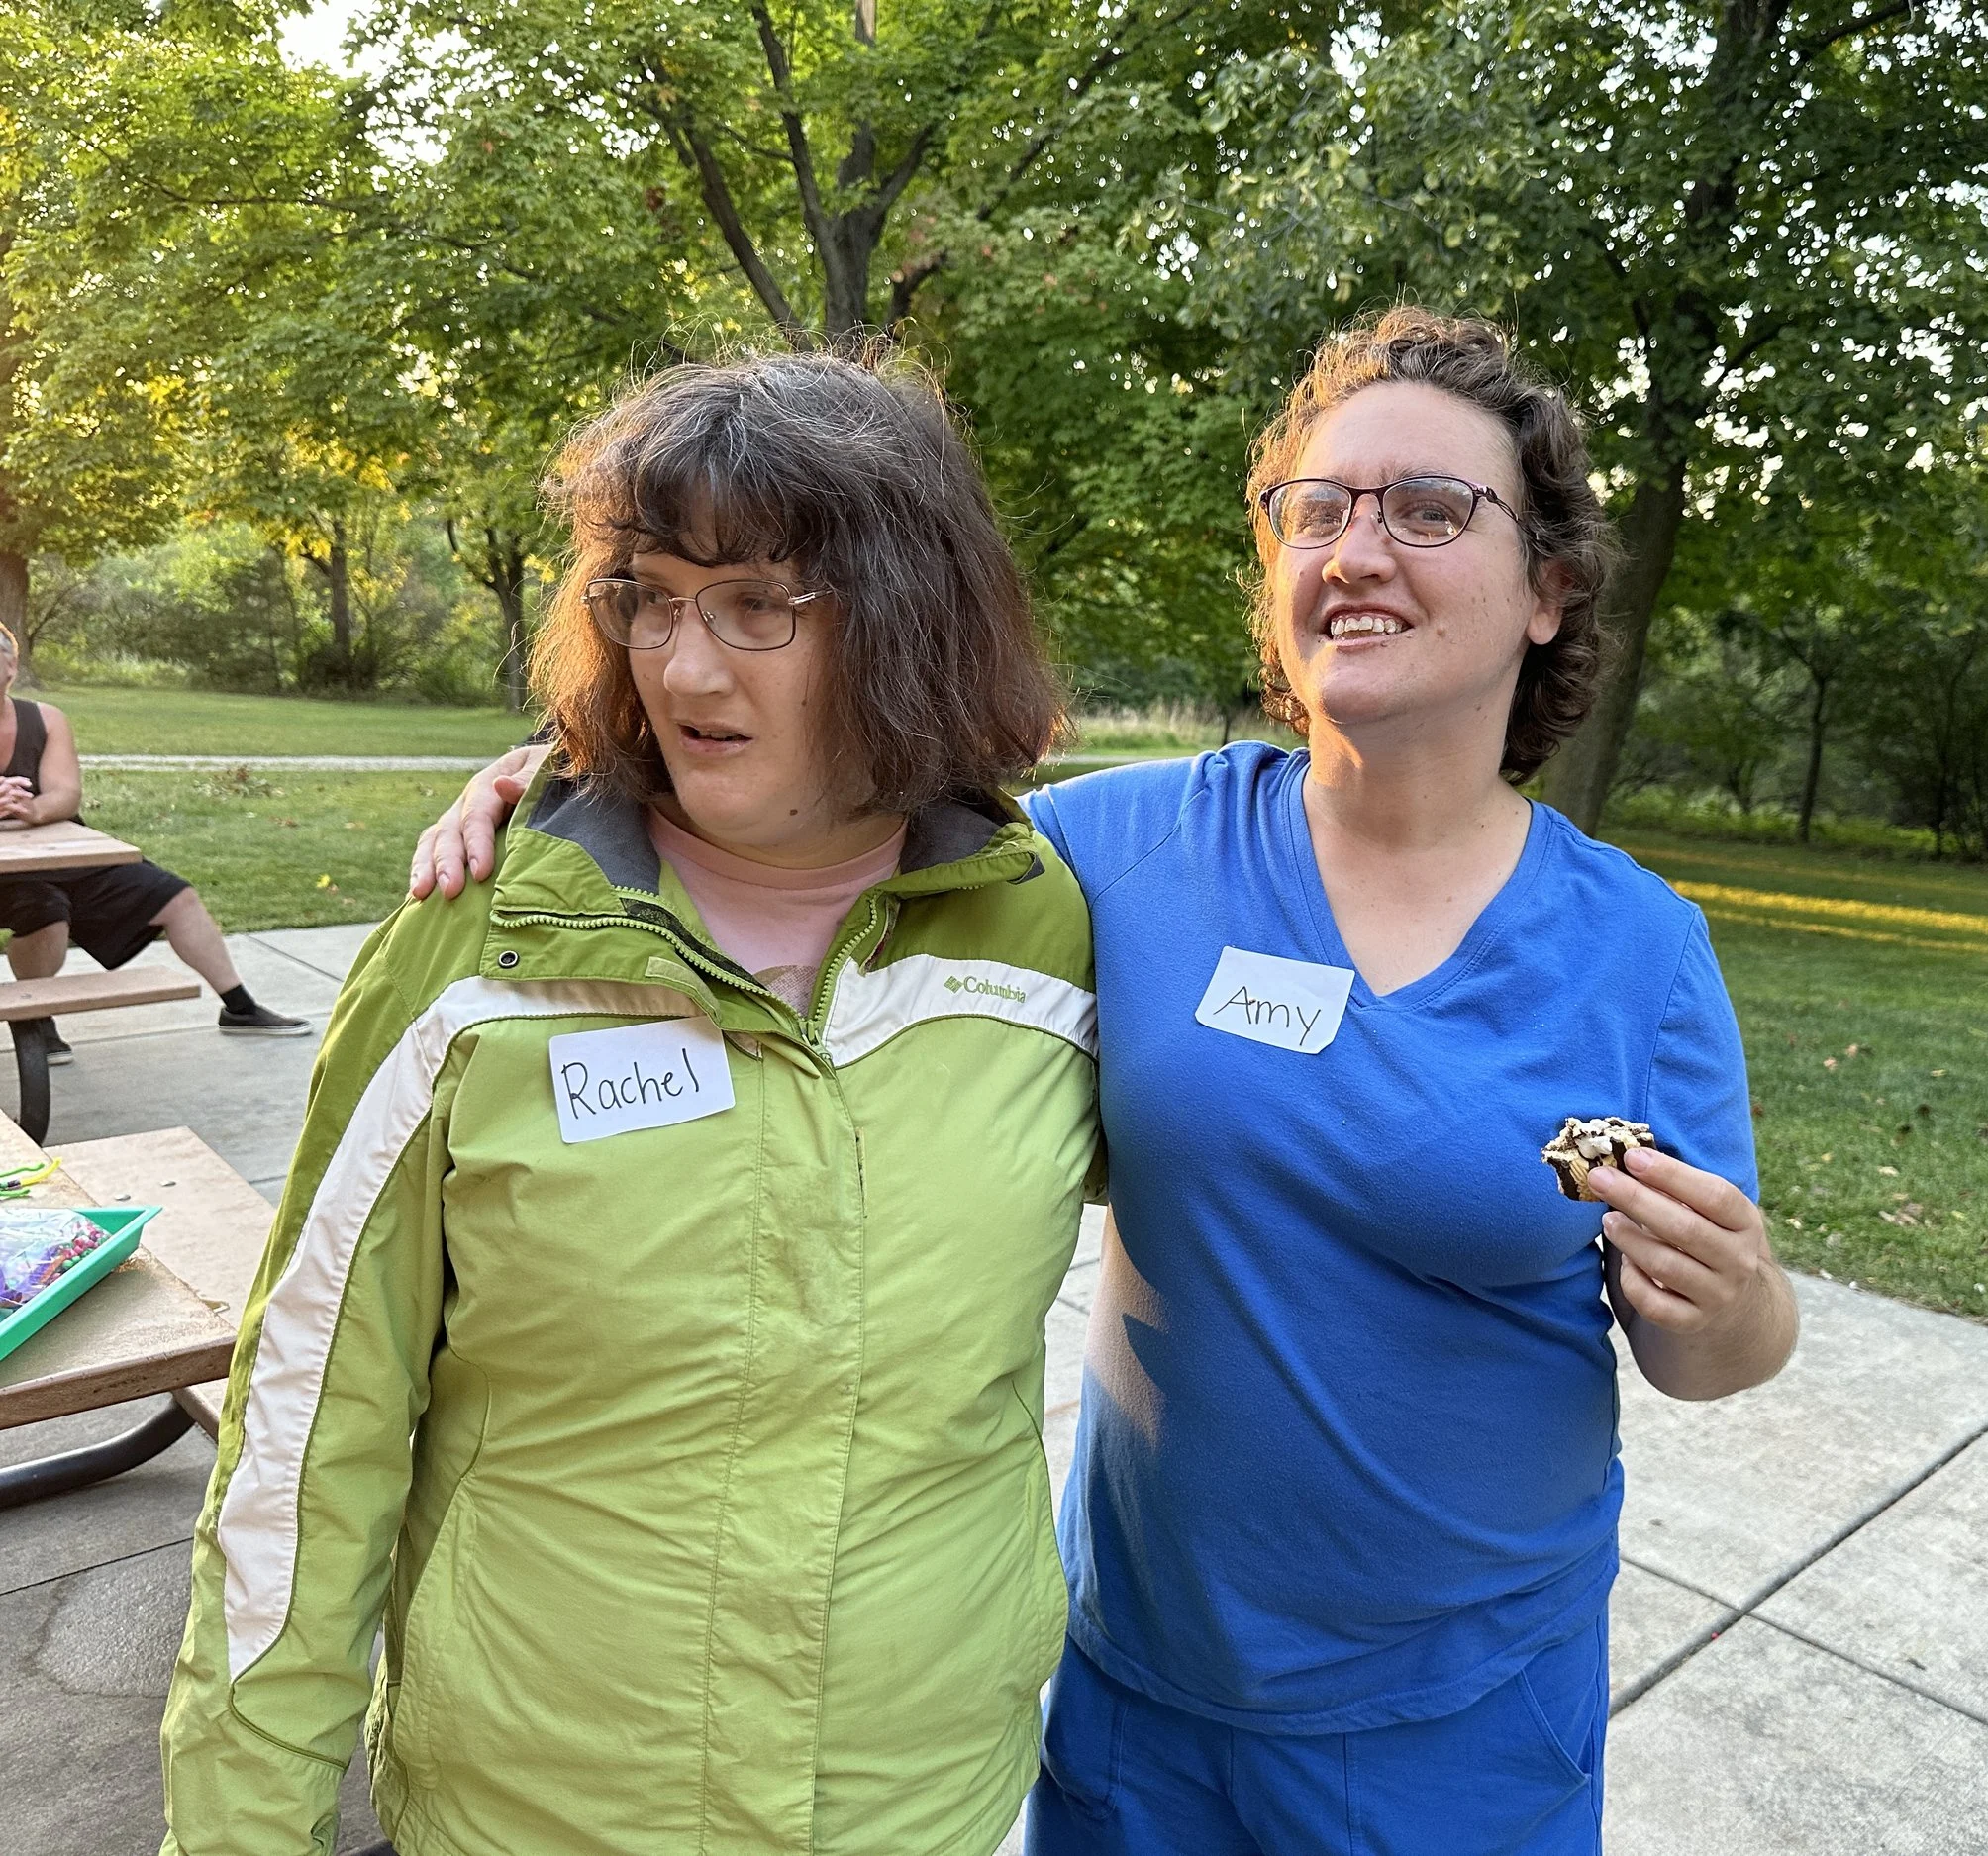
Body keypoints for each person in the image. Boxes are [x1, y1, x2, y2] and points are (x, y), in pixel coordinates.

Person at [410, 310, 1797, 1855]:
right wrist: (575, 769)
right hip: (1142, 1691)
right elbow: (802, 781)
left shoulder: (1641, 949)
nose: (1358, 547)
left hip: (1460, 1714)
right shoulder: (1109, 852)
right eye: (1317, 508)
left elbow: (1712, 1351)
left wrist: (1730, 1304)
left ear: (1547, 589)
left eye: (1427, 508)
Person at [161, 348, 1102, 1856]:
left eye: (757, 605)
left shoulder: (1048, 921)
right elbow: (306, 1431)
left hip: (923, 1799)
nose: (685, 666)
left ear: (910, 616)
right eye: (650, 596)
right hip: (538, 1807)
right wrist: (241, 1824)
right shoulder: (481, 933)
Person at [0, 627, 307, 1054]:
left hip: (64, 852)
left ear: (11, 667)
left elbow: (65, 794)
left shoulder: (46, 719)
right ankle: (36, 1020)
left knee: (175, 896)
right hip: (7, 874)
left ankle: (239, 1007)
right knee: (45, 912)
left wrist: (32, 809)